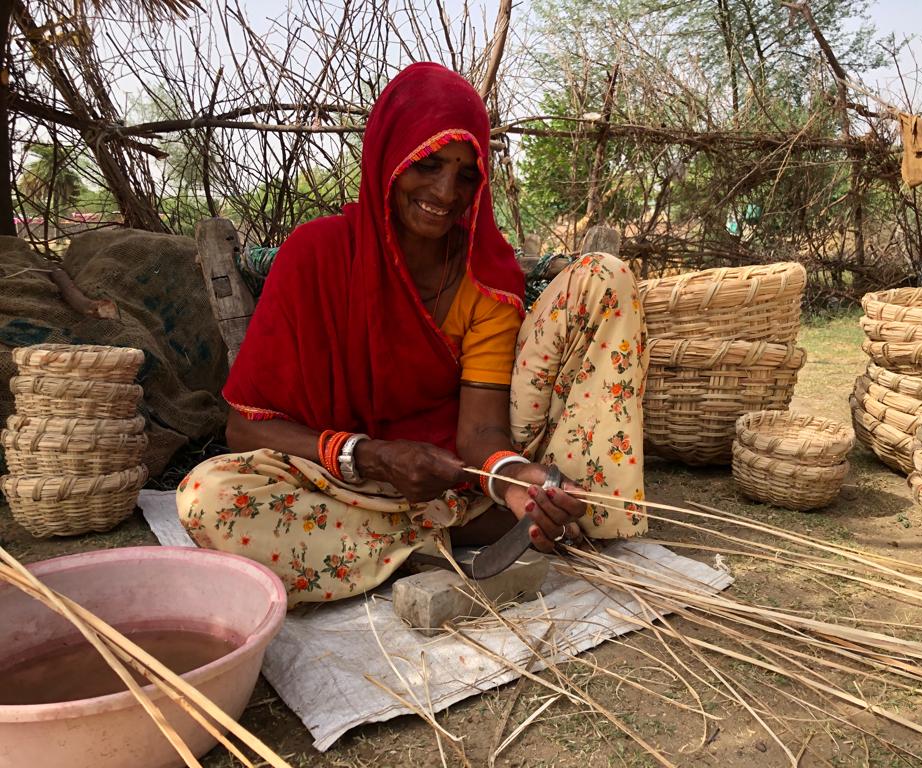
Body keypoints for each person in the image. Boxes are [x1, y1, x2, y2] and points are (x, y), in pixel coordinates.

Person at [176, 62, 648, 606]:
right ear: (388, 159)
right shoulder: (316, 254)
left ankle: (547, 514)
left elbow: (479, 435)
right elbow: (245, 428)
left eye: (466, 174)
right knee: (206, 498)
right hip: (346, 481)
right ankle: (441, 544)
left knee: (603, 276)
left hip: (462, 479)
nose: (446, 192)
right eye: (427, 165)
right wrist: (371, 455)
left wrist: (514, 479)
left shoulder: (483, 279)